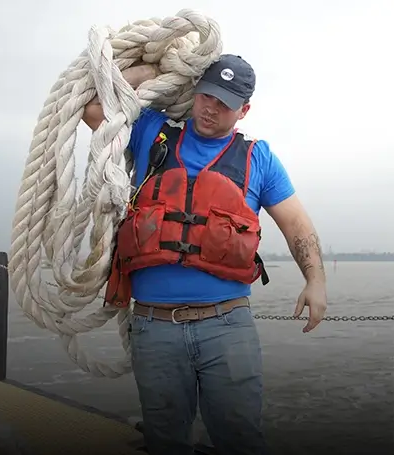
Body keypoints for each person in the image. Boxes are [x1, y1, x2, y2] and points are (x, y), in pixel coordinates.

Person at [82, 54, 327, 455]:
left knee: (241, 440)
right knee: (165, 441)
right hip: (153, 327)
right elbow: (92, 108)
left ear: (243, 110)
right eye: (206, 94)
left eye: (224, 102)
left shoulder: (258, 158)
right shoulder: (152, 133)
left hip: (227, 326)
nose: (210, 107)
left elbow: (297, 225)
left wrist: (315, 281)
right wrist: (159, 72)